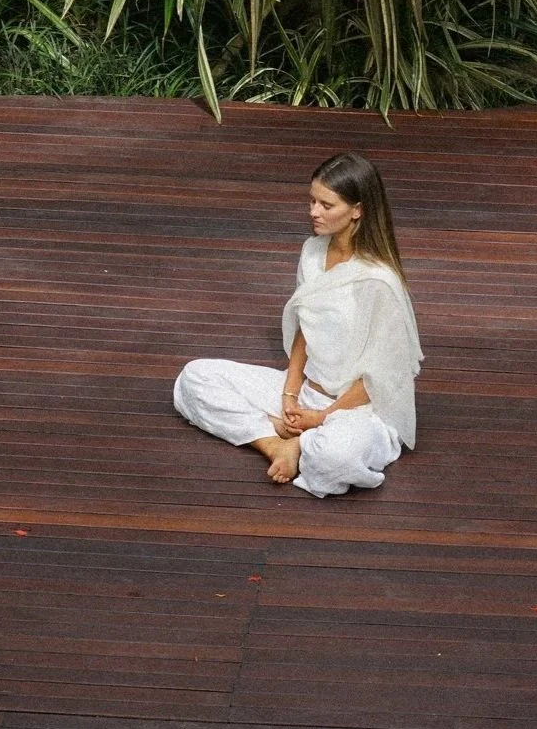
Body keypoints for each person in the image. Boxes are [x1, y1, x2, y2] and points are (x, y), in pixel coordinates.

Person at [173, 152, 422, 498]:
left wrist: (321, 419)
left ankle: (301, 442)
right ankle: (275, 444)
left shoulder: (379, 281)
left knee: (336, 457)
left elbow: (383, 376)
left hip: (358, 411)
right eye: (312, 201)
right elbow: (306, 330)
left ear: (357, 210)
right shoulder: (312, 252)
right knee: (195, 378)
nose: (313, 212)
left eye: (326, 205)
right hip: (308, 393)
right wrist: (290, 395)